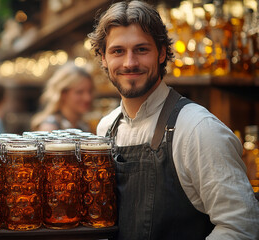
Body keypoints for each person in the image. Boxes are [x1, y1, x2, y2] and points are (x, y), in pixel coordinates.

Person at [88, 1, 259, 239]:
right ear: (103, 58)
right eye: (118, 51)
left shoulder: (198, 129)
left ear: (161, 53)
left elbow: (241, 227)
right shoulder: (106, 128)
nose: (129, 63)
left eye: (141, 49)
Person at [31, 61, 94, 132]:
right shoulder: (50, 127)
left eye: (90, 91)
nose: (87, 98)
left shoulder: (82, 125)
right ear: (63, 93)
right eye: (79, 92)